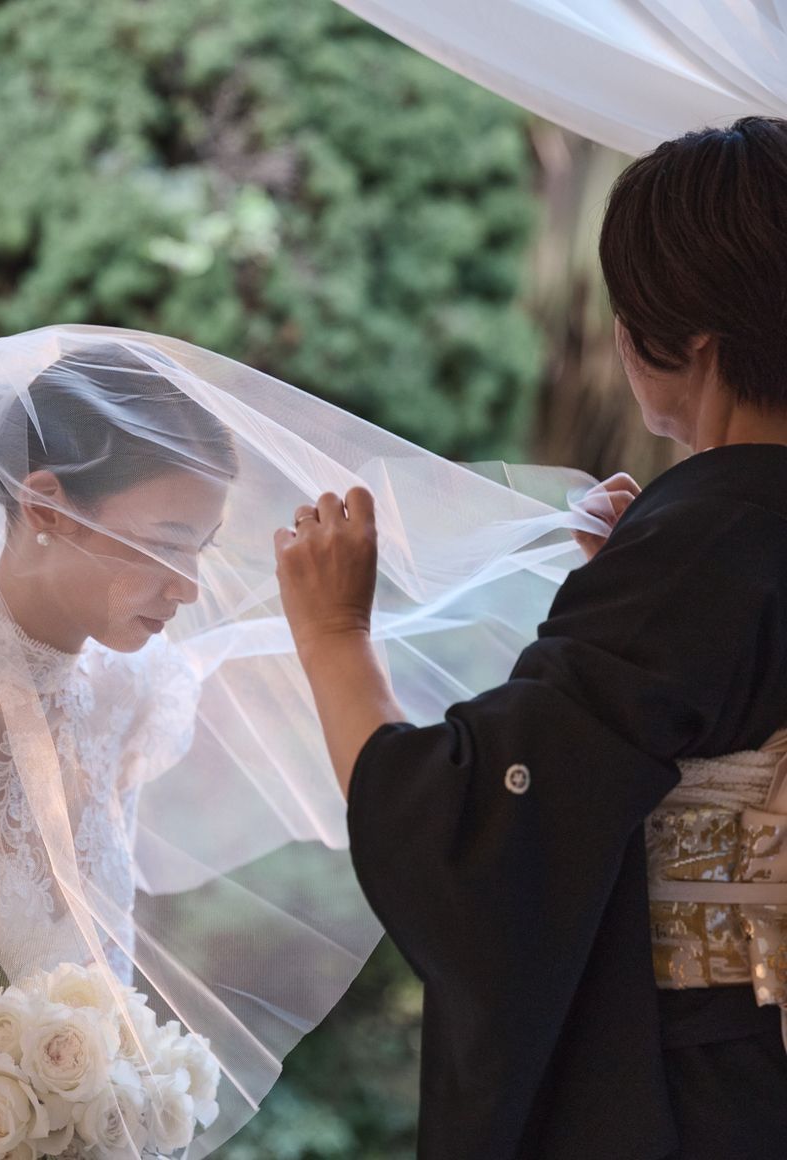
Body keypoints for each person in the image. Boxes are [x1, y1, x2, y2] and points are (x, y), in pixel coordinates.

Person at [0, 325, 604, 1159]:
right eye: (166, 541)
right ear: (47, 504)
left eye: (199, 547)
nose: (188, 585)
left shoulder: (130, 697)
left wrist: (596, 562)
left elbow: (388, 644)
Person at [276, 115, 787, 1160]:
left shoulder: (705, 537)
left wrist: (333, 635)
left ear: (687, 343)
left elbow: (474, 833)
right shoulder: (707, 542)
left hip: (713, 1087)